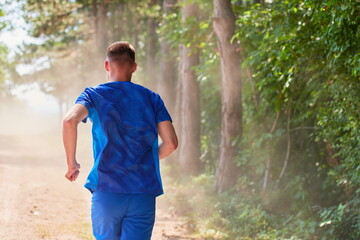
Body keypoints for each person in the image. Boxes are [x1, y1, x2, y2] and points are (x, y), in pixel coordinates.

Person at [62, 41, 178, 240]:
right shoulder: (152, 99)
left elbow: (70, 120)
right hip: (143, 191)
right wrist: (147, 159)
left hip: (107, 189)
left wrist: (71, 163)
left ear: (107, 65)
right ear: (134, 67)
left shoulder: (93, 94)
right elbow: (171, 144)